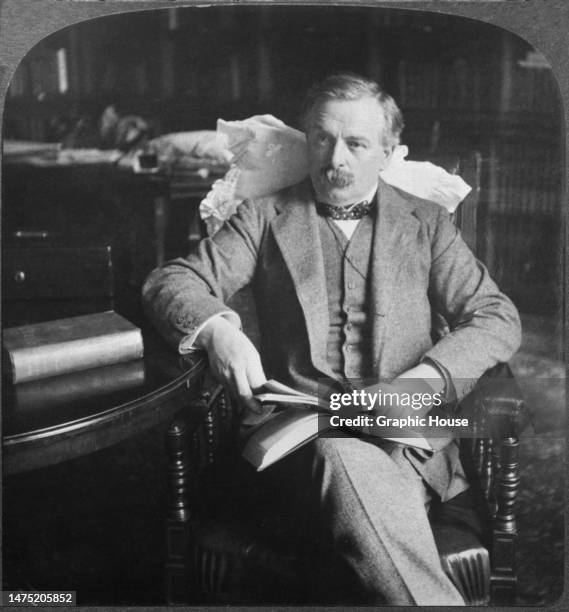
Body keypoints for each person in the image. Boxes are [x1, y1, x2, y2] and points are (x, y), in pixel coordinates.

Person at [142, 73, 521, 605]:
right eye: (321, 137)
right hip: (297, 443)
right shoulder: (263, 217)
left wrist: (426, 379)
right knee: (339, 453)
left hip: (404, 440)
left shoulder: (428, 224)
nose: (333, 157)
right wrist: (218, 332)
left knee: (361, 496)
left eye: (356, 143)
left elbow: (495, 315)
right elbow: (170, 282)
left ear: (387, 153)